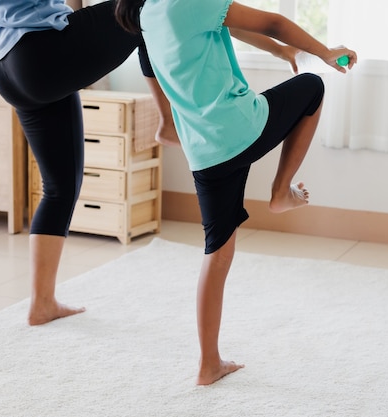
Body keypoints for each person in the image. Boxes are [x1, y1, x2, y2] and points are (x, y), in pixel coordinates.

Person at [114, 0, 357, 385]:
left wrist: (280, 51)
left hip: (204, 152)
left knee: (217, 253)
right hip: (240, 127)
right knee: (312, 88)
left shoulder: (148, 14)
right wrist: (325, 52)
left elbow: (226, 21)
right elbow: (273, 20)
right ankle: (280, 191)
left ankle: (208, 364)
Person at [0, 0, 179, 326]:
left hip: (6, 65)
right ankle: (167, 121)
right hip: (40, 51)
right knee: (142, 8)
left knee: (60, 187)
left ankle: (42, 303)